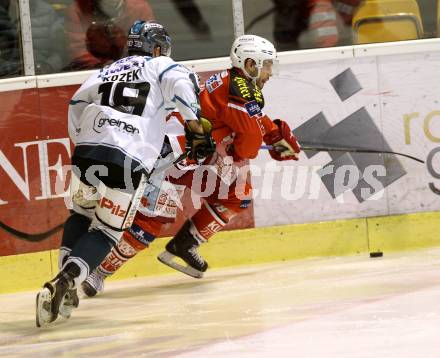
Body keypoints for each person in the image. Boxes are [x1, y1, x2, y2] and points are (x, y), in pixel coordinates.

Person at [80, 34, 302, 297]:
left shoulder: (236, 82)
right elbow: (248, 147)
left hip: (197, 154)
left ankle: (185, 244)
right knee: (151, 221)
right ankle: (97, 271)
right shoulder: (240, 93)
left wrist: (275, 133)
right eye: (266, 65)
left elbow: (252, 119)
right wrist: (249, 143)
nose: (270, 72)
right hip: (172, 156)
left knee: (236, 193)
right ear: (250, 63)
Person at [35, 20, 215, 327]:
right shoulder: (161, 64)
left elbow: (76, 104)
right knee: (106, 232)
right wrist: (195, 127)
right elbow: (182, 85)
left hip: (89, 149)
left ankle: (63, 286)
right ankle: (66, 280)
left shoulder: (105, 70)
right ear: (157, 48)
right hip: (129, 156)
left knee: (80, 213)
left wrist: (83, 142)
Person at [64, 0, 155, 70]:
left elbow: (149, 43)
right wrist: (106, 66)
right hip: (94, 72)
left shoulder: (140, 7)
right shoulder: (78, 9)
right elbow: (78, 50)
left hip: (135, 69)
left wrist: (129, 63)